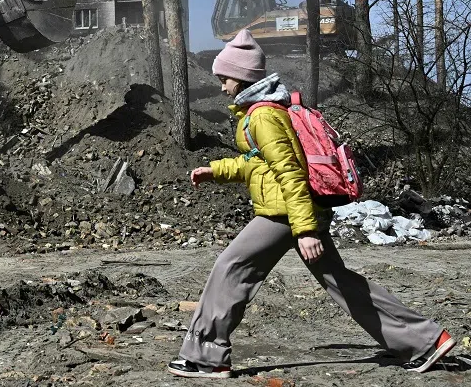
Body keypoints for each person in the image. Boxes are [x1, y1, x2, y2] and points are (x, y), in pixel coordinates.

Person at [166, 29, 455, 379]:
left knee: (231, 268)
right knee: (341, 282)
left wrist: (304, 230)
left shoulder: (263, 116)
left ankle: (205, 356)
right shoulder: (264, 112)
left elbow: (290, 172)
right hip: (300, 210)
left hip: (285, 213)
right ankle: (425, 341)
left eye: (224, 78)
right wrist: (216, 170)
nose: (222, 86)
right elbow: (259, 164)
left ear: (240, 77)